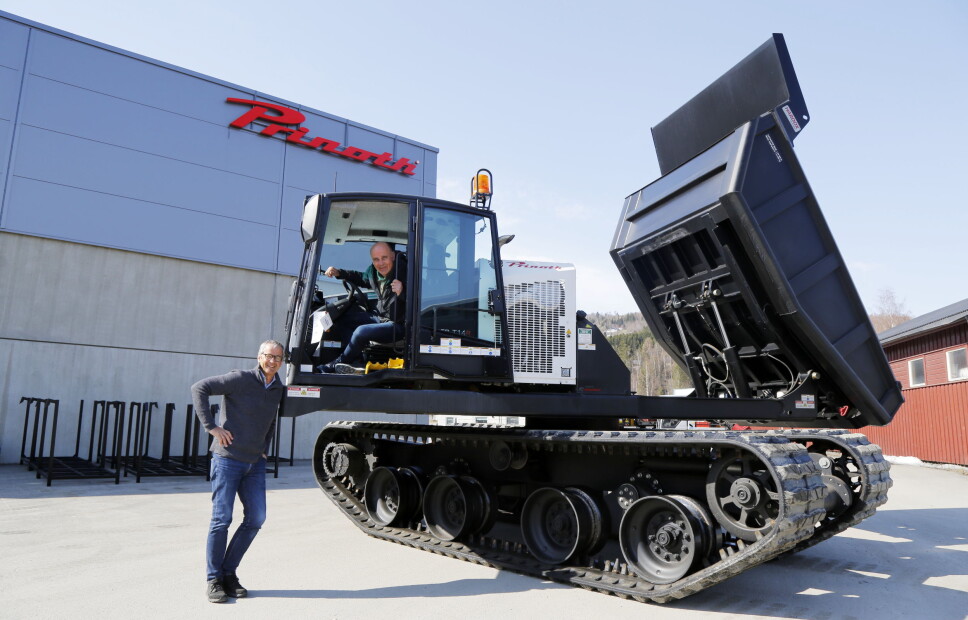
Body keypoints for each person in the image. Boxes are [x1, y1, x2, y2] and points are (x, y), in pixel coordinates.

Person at [191, 340, 285, 603]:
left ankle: (228, 573)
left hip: (255, 463)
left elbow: (271, 419)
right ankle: (213, 579)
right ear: (259, 357)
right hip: (227, 460)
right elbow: (199, 388)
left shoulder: (278, 387)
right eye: (269, 356)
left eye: (278, 357)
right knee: (222, 519)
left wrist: (265, 447)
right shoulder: (239, 379)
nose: (273, 361)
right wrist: (212, 427)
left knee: (256, 518)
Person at [318, 241, 406, 374]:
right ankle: (356, 361)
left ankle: (338, 363)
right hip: (381, 318)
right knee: (344, 320)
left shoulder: (405, 271)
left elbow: (421, 298)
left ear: (392, 256)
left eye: (384, 258)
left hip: (398, 325)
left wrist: (402, 292)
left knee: (361, 331)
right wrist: (339, 273)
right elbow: (361, 278)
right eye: (376, 259)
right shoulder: (373, 272)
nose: (381, 263)